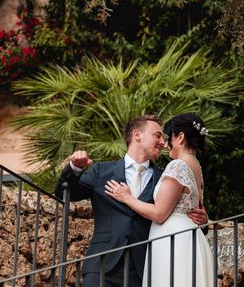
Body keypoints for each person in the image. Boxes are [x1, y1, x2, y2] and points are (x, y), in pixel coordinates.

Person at [56, 115, 207, 287]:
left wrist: (203, 220)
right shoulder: (101, 171)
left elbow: (184, 214)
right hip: (102, 264)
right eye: (157, 135)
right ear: (137, 135)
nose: (163, 142)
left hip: (143, 269)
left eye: (164, 138)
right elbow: (64, 194)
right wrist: (75, 168)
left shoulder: (165, 177)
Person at [105, 113, 214, 287]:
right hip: (188, 237)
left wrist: (126, 197)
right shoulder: (196, 167)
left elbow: (159, 213)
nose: (164, 143)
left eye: (168, 137)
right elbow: (198, 208)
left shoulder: (178, 165)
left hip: (174, 240)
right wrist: (205, 219)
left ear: (180, 137)